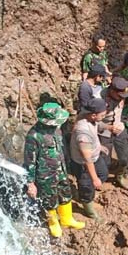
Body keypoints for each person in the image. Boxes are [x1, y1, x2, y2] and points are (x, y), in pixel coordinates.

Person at [24, 102, 84, 238]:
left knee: (65, 193)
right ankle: (53, 222)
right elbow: (29, 161)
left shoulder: (56, 129)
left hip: (60, 170)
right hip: (45, 174)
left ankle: (67, 219)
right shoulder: (33, 136)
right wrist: (30, 183)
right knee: (49, 199)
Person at [70, 98, 109, 222]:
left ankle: (89, 193)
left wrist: (99, 146)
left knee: (103, 173)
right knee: (87, 186)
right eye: (102, 115)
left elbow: (97, 128)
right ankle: (89, 209)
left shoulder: (89, 117)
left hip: (94, 156)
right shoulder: (83, 133)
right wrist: (94, 179)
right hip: (83, 164)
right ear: (93, 115)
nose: (104, 116)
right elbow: (87, 159)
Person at [98, 77, 128, 189]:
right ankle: (101, 178)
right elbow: (90, 122)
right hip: (104, 131)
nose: (122, 99)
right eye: (120, 96)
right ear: (112, 91)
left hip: (119, 128)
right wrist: (108, 127)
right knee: (105, 161)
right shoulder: (98, 99)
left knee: (125, 157)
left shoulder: (122, 94)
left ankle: (120, 175)